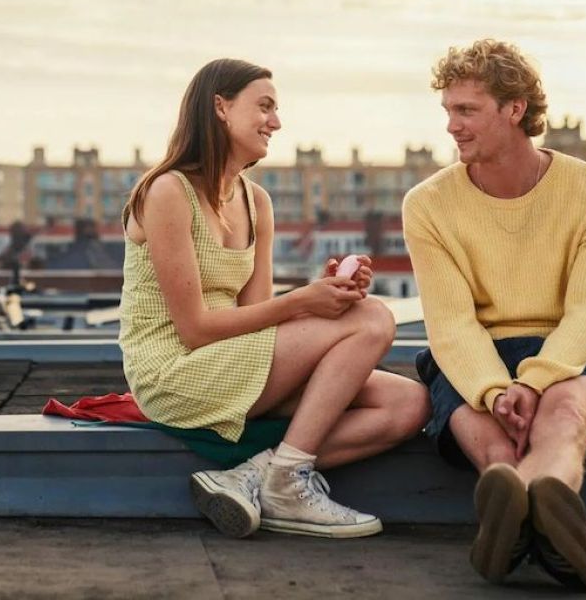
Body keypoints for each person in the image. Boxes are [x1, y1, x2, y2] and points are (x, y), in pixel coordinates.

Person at [120, 57, 430, 539]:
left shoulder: (255, 201)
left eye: (276, 109)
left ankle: (256, 474)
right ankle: (289, 483)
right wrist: (306, 303)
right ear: (220, 107)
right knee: (371, 317)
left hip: (235, 363)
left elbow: (256, 318)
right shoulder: (167, 191)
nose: (276, 122)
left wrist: (326, 295)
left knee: (408, 404)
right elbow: (194, 329)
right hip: (175, 374)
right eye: (264, 107)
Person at [403, 40, 586, 592]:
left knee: (567, 418)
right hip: (471, 358)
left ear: (514, 110)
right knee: (495, 445)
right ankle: (552, 536)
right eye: (448, 111)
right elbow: (452, 324)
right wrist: (492, 390)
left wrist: (534, 380)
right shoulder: (427, 204)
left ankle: (513, 531)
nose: (452, 127)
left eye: (466, 111)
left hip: (568, 352)